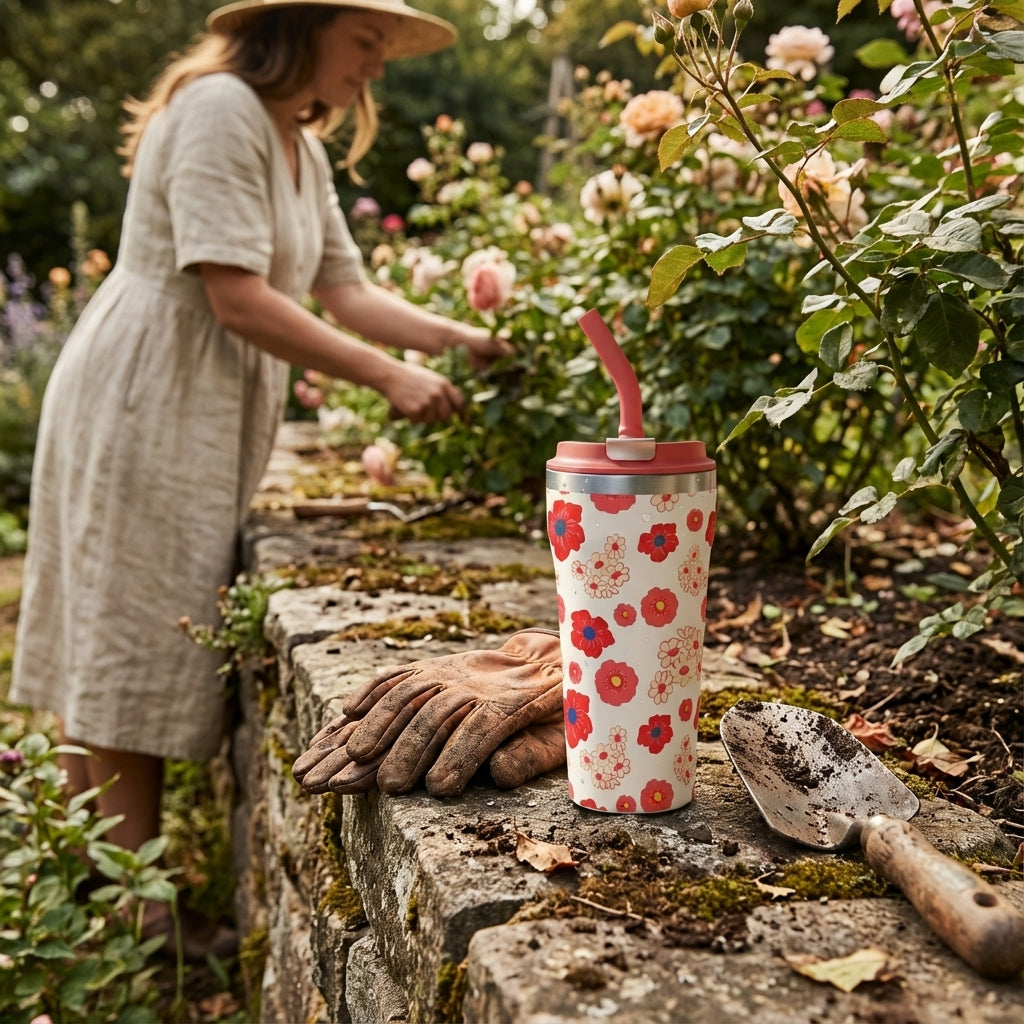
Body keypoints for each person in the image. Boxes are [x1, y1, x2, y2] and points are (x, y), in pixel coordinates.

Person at [10, 0, 510, 956]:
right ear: (301, 29)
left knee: (134, 622)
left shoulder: (297, 145)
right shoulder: (220, 108)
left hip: (197, 402)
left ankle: (94, 885)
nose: (374, 68)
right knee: (129, 632)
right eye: (364, 42)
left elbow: (345, 289)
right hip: (148, 392)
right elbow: (235, 295)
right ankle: (138, 923)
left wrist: (457, 340)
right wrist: (386, 375)